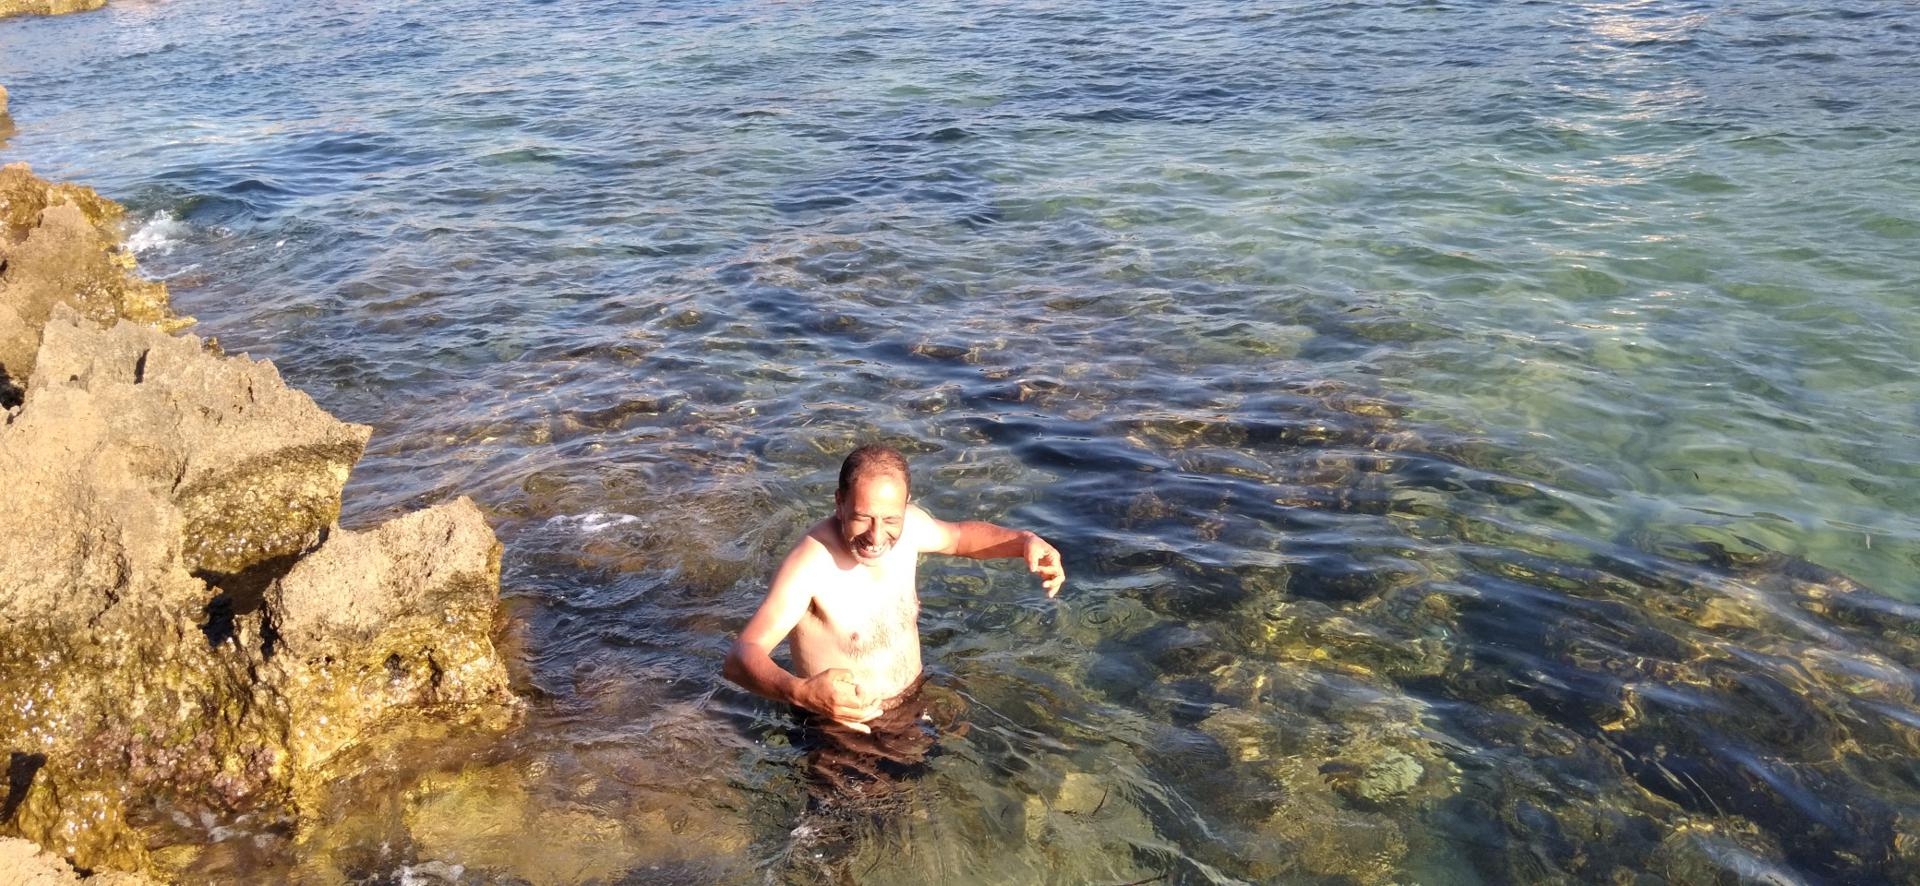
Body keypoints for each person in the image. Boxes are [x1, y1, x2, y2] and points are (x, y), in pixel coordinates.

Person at [723, 444, 1064, 749]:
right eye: (862, 518)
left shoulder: (911, 528)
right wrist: (801, 692)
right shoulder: (810, 564)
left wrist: (1023, 542)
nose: (876, 536)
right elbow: (740, 656)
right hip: (843, 731)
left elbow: (959, 538)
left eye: (890, 519)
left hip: (913, 702)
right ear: (839, 503)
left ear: (905, 505)